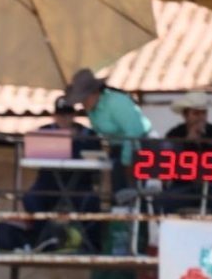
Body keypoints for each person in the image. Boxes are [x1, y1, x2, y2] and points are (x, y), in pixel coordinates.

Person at [2, 96, 103, 252]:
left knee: (92, 201)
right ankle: (44, 239)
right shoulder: (43, 132)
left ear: (74, 115)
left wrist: (76, 143)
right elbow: (32, 152)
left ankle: (88, 244)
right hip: (49, 184)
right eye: (61, 115)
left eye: (68, 114)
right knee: (31, 198)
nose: (64, 118)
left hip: (79, 186)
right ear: (54, 115)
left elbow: (97, 158)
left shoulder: (88, 134)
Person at [64, 68, 153, 197]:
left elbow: (134, 132)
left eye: (83, 98)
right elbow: (99, 132)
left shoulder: (116, 102)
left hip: (140, 146)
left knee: (135, 191)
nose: (81, 103)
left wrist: (126, 161)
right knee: (119, 191)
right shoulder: (92, 110)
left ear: (94, 93)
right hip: (118, 147)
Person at [159, 90, 212, 215]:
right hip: (183, 187)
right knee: (162, 202)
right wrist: (187, 142)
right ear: (185, 115)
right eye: (196, 113)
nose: (200, 117)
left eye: (204, 113)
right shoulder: (174, 134)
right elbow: (164, 165)